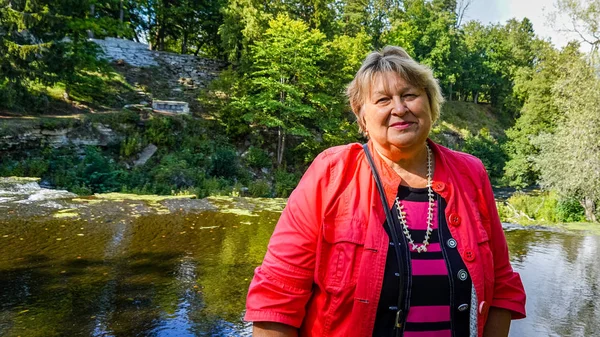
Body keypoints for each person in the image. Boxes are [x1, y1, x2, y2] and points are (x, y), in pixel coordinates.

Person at [244, 46, 526, 337]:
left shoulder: (471, 174)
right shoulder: (331, 173)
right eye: (382, 99)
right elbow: (278, 295)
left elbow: (503, 288)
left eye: (409, 95)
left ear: (430, 104)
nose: (399, 108)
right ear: (362, 116)